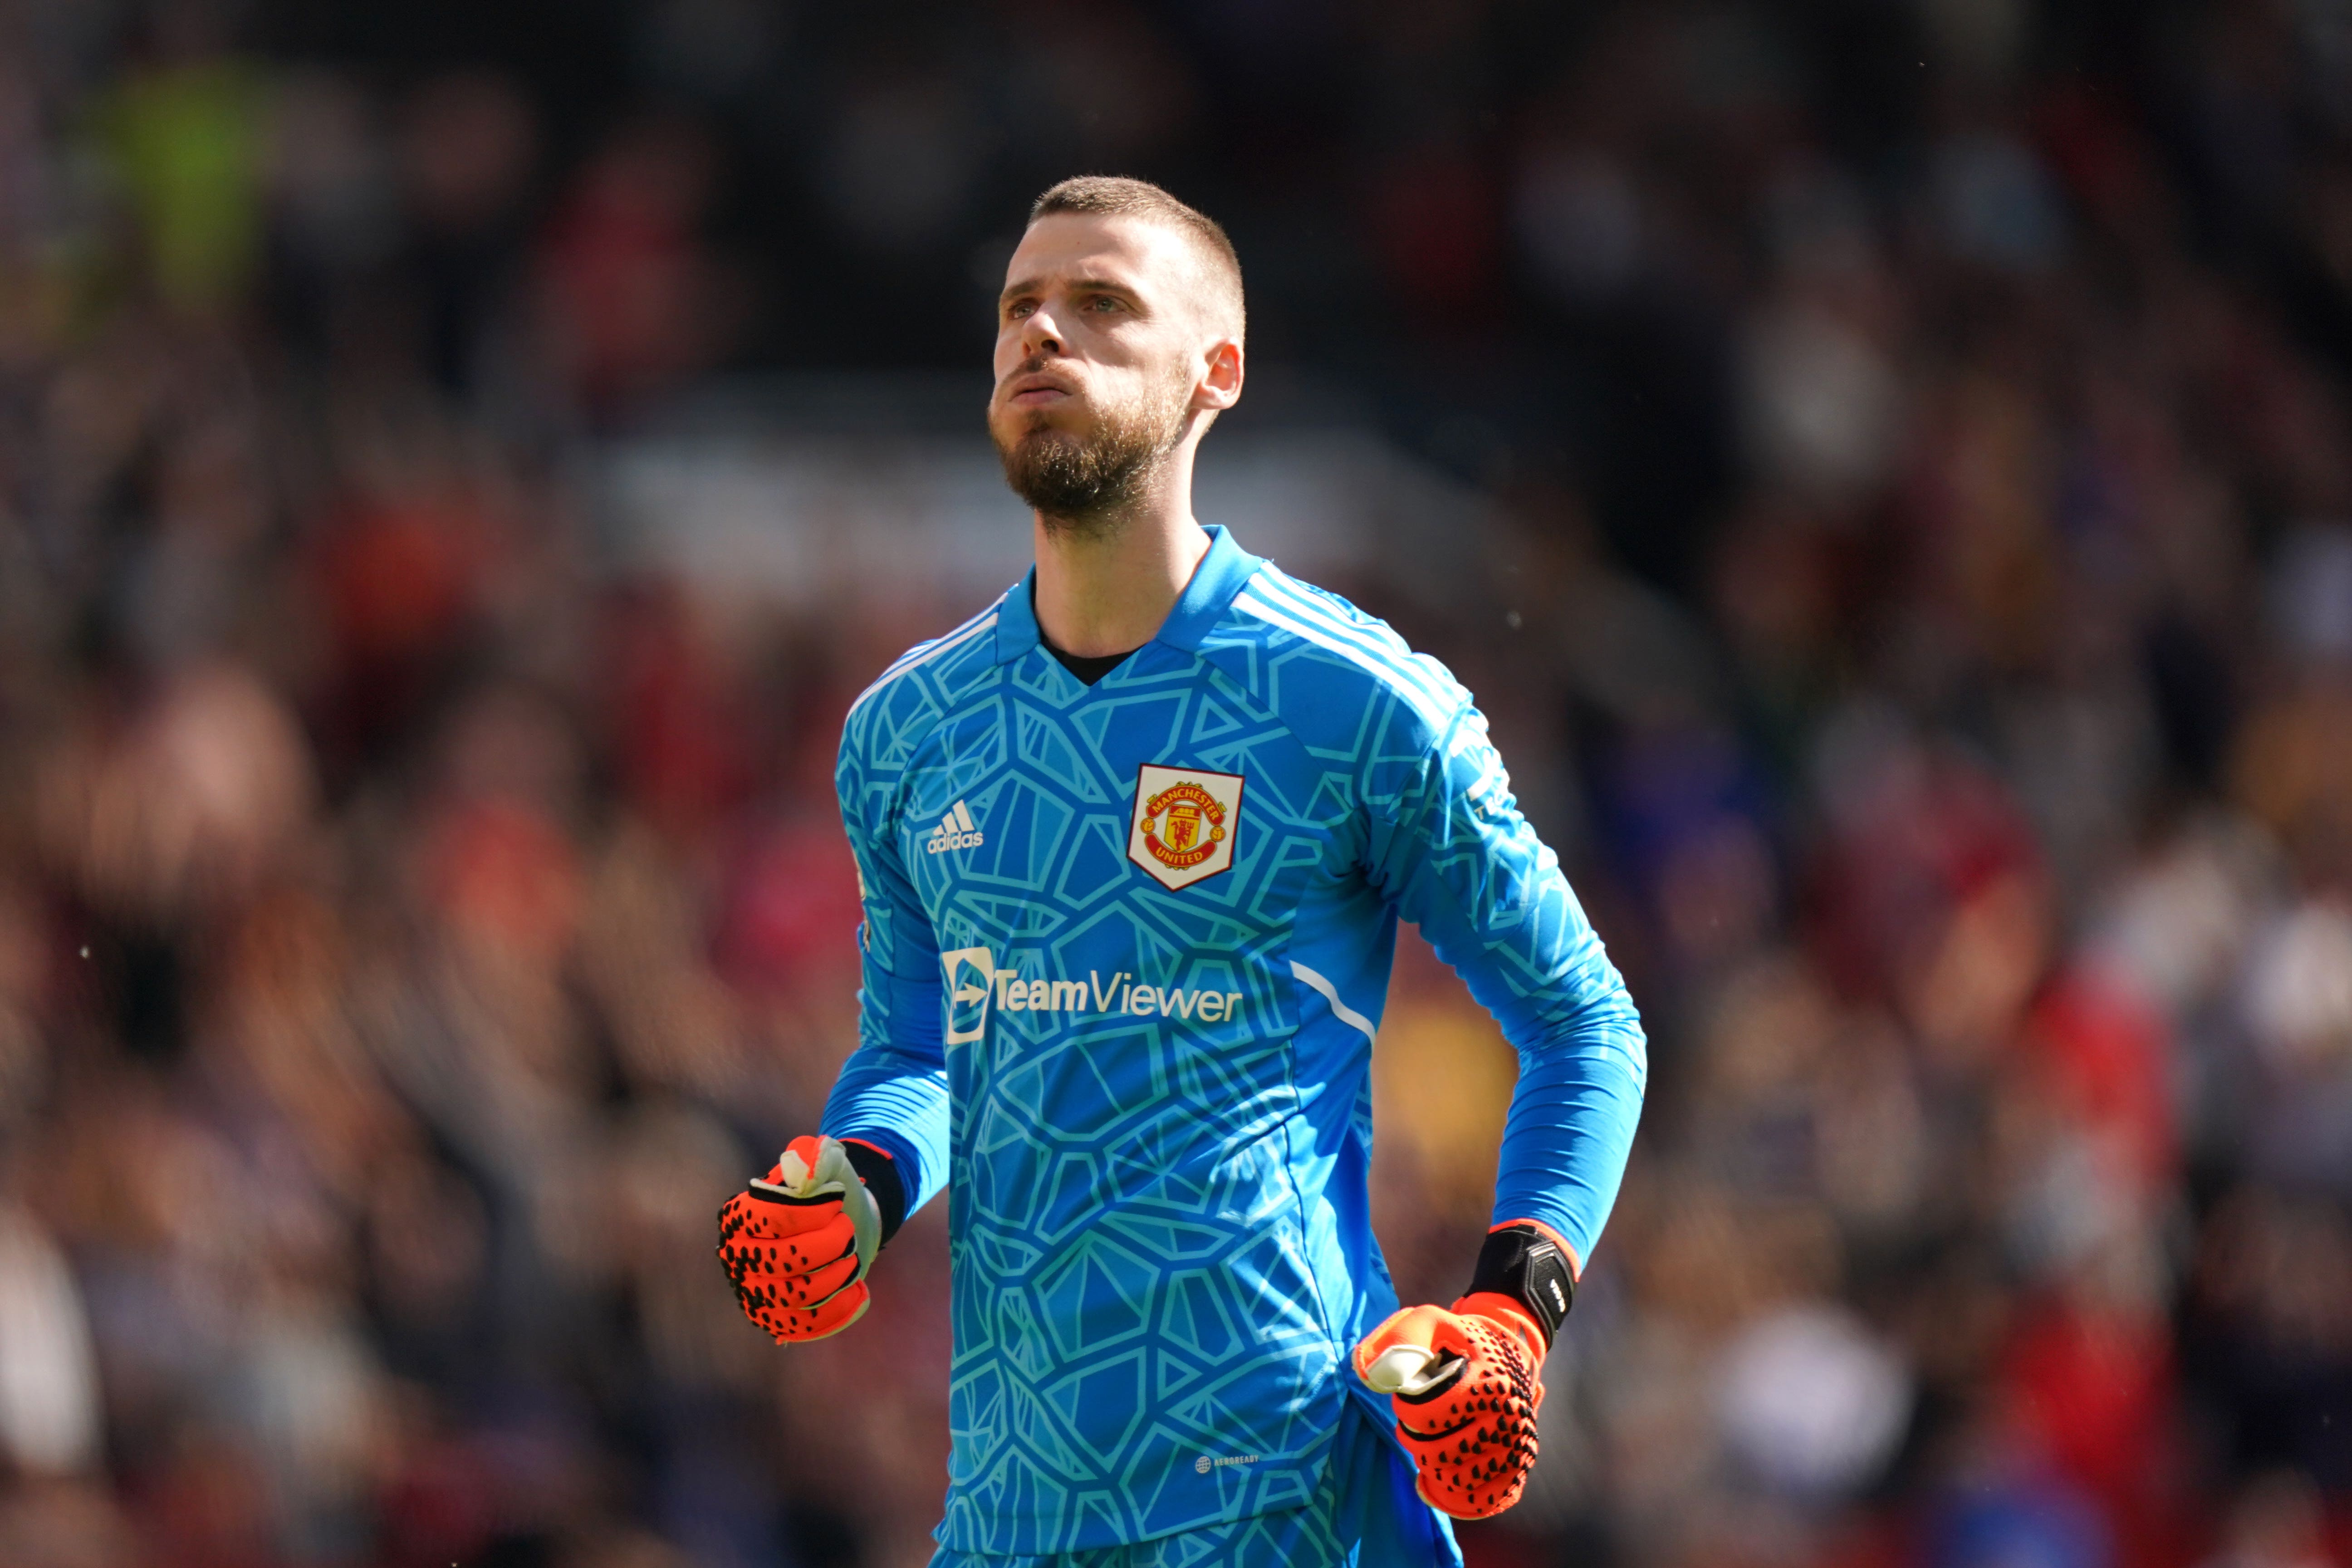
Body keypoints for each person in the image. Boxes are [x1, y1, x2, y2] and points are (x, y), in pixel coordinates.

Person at [715, 176, 1646, 1568]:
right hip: (1010, 1516)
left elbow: (1587, 1024)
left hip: (1290, 1500)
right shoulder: (907, 733)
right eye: (1020, 306)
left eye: (1100, 305)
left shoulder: (1356, 704)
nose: (1042, 335)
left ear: (1219, 372)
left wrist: (1513, 1309)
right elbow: (925, 1049)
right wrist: (858, 1182)